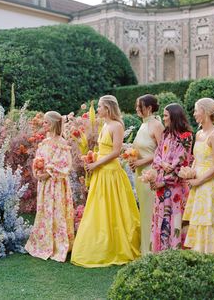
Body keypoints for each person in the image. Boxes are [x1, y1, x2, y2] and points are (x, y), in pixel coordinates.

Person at [71, 95, 140, 267]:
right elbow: (103, 150)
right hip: (101, 172)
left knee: (114, 209)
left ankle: (117, 246)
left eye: (100, 107)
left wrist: (96, 164)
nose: (98, 110)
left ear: (108, 108)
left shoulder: (117, 126)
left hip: (111, 174)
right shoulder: (105, 125)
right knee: (99, 208)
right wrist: (92, 159)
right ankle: (100, 244)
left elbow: (116, 152)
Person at [25, 111, 74, 262]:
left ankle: (58, 245)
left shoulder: (61, 142)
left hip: (55, 183)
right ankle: (44, 241)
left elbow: (64, 163)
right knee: (45, 211)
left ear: (52, 123)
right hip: (44, 184)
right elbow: (38, 158)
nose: (43, 124)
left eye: (46, 122)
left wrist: (48, 172)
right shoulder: (45, 142)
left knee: (56, 210)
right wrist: (37, 171)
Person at [183, 98, 214, 258]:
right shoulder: (199, 133)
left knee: (209, 222)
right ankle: (200, 258)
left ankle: (213, 259)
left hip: (208, 186)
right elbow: (197, 159)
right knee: (198, 222)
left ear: (205, 112)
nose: (193, 114)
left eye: (196, 110)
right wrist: (190, 173)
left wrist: (200, 180)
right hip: (197, 186)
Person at [151, 103, 193, 252]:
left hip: (175, 189)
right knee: (161, 220)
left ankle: (176, 257)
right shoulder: (165, 134)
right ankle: (161, 255)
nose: (163, 118)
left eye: (166, 115)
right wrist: (162, 163)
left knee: (174, 221)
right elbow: (156, 156)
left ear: (174, 116)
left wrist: (162, 181)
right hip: (161, 189)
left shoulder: (186, 137)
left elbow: (182, 162)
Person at [130, 94, 164, 255]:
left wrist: (142, 162)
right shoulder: (143, 125)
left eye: (140, 106)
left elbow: (162, 151)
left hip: (151, 172)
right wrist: (132, 159)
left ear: (149, 108)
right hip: (140, 173)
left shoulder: (156, 125)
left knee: (151, 211)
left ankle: (152, 249)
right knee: (143, 211)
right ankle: (145, 248)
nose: (137, 109)